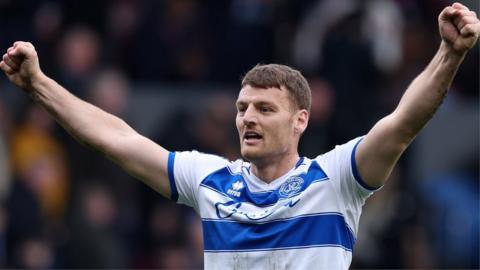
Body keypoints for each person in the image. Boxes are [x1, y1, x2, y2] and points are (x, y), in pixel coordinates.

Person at [1, 3, 478, 269]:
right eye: (242, 108)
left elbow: (402, 124)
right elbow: (116, 138)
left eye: (265, 109)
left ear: (301, 121)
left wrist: (449, 55)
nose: (248, 117)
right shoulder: (211, 179)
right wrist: (40, 85)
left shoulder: (336, 179)